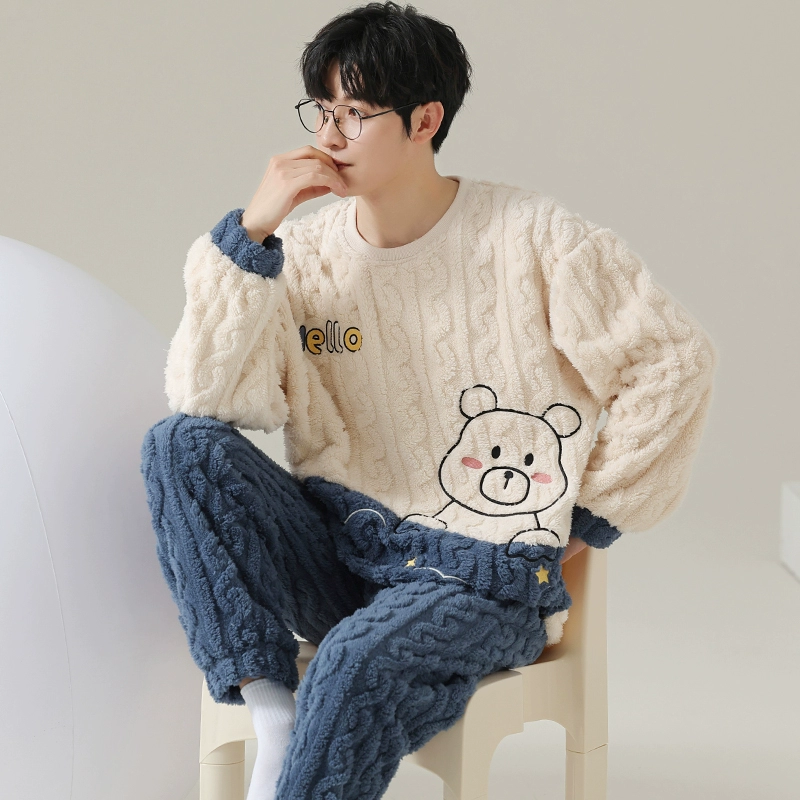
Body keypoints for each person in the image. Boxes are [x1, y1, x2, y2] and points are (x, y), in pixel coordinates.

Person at [139, 3, 718, 799]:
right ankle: (272, 710)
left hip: (480, 579)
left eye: (355, 112)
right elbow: (203, 394)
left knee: (352, 664)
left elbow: (675, 362)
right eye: (322, 109)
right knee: (177, 444)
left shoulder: (535, 237)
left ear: (425, 120)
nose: (329, 135)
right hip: (342, 553)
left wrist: (581, 520)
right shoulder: (301, 255)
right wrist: (253, 231)